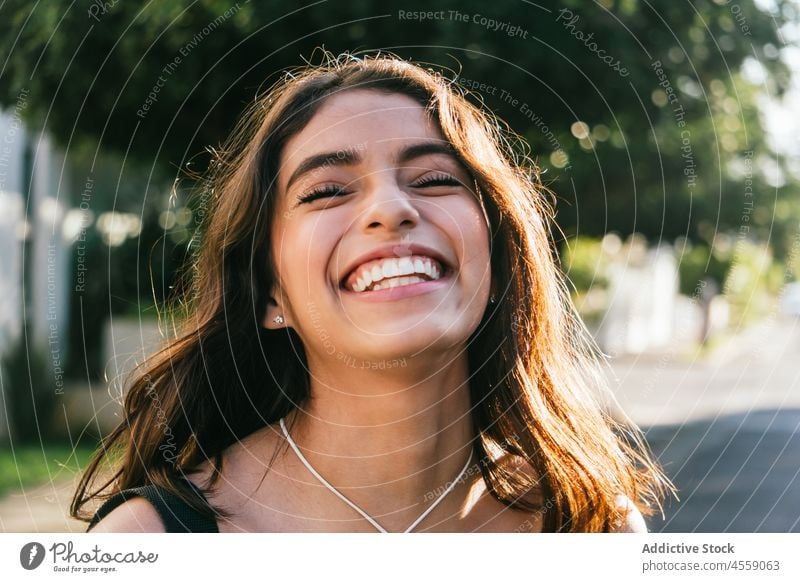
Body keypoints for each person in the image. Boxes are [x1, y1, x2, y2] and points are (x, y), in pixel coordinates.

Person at [72, 49, 671, 533]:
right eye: (326, 191)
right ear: (269, 294)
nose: (390, 208)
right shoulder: (148, 542)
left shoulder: (590, 527)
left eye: (435, 179)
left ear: (496, 258)